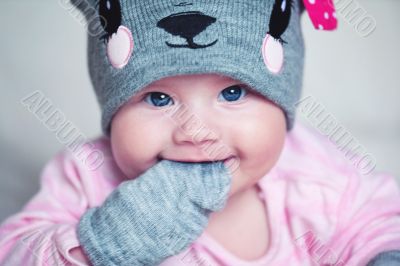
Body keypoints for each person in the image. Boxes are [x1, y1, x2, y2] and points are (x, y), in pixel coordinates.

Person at [1, 0, 399, 265]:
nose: (196, 131)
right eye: (158, 98)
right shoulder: (86, 175)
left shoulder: (311, 165)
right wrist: (97, 245)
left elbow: (376, 219)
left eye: (232, 92)